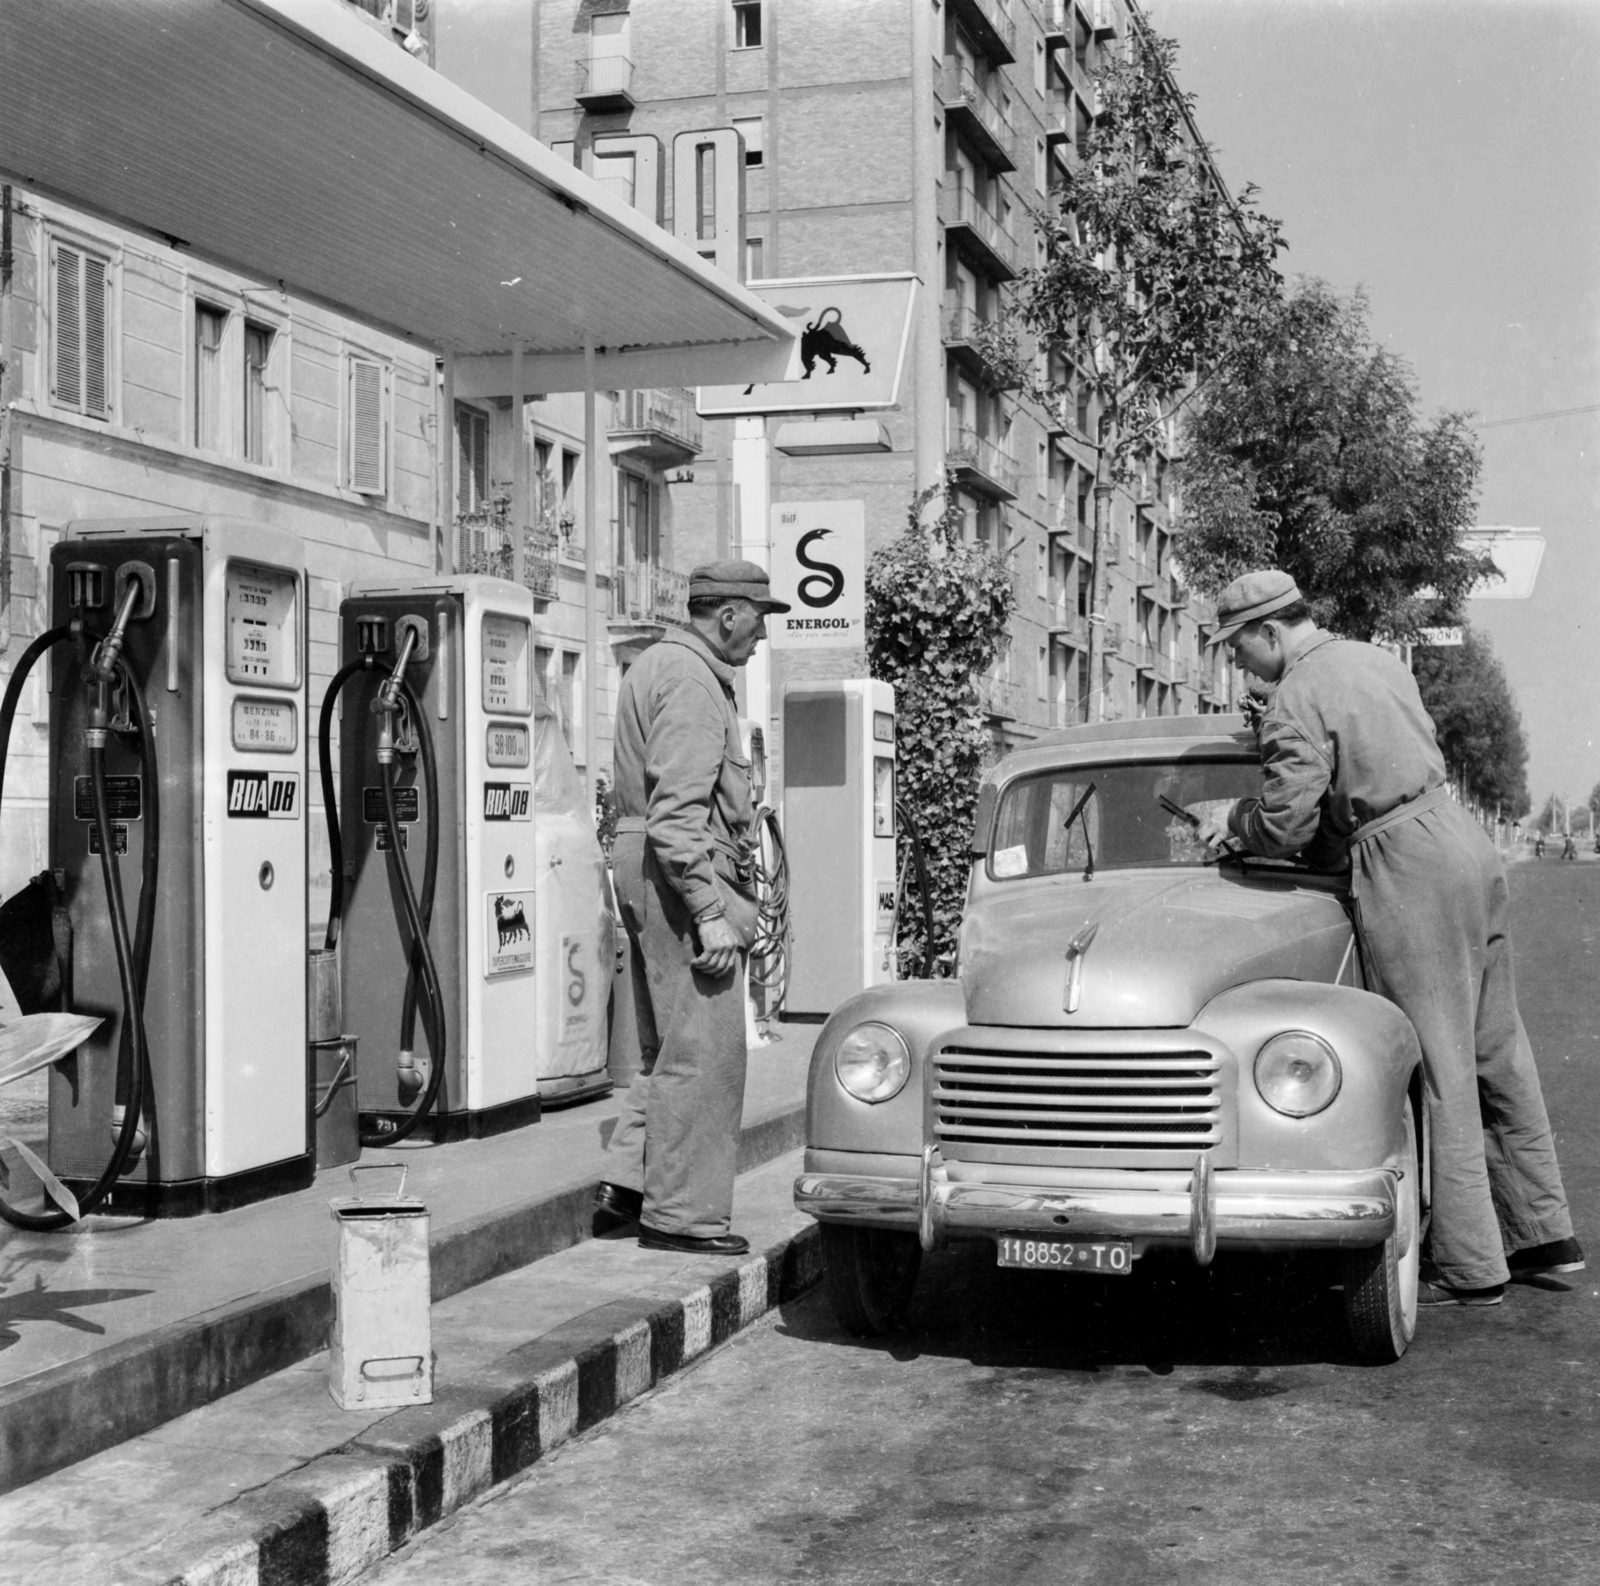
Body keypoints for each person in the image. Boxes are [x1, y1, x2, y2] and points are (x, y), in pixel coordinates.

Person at [1192, 570, 1583, 1308]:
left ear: (1270, 631)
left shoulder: (1294, 697)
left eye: (1238, 646)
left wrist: (1232, 819)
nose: (1238, 663)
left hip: (1407, 868)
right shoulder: (1374, 659)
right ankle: (1542, 1236)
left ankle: (1470, 1266)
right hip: (1463, 847)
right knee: (1496, 1048)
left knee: (1435, 1062)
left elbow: (1287, 824)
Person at [594, 561, 789, 1256]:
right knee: (705, 1055)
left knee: (667, 1047)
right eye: (759, 620)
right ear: (728, 615)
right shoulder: (695, 681)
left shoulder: (658, 664)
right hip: (682, 870)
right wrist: (708, 909)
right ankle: (680, 1217)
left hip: (648, 860)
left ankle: (627, 1186)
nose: (762, 636)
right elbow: (678, 818)